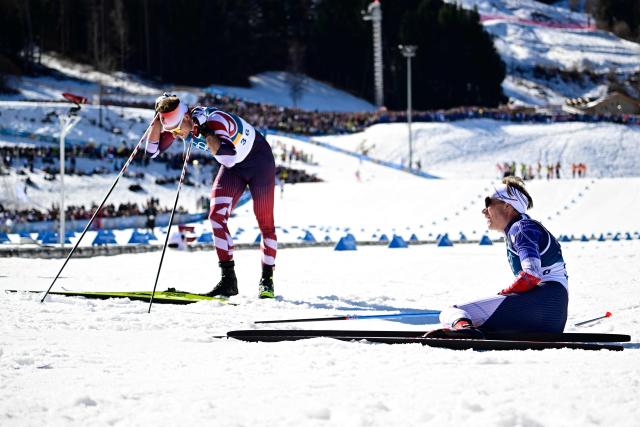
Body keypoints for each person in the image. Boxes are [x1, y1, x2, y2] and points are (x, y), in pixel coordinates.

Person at [145, 94, 277, 299]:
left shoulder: (215, 120)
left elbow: (228, 158)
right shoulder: (182, 122)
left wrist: (206, 132)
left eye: (178, 130)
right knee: (216, 217)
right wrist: (157, 119)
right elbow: (152, 150)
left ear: (187, 118)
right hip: (234, 169)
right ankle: (228, 281)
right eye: (172, 132)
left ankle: (266, 280)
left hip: (259, 163)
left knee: (265, 223)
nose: (177, 135)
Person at [429, 176, 568, 338]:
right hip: (552, 316)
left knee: (452, 312)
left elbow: (531, 275)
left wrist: (503, 294)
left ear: (508, 206)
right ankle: (469, 330)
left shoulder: (521, 228)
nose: (484, 211)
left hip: (543, 304)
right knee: (474, 319)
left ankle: (465, 332)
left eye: (488, 203)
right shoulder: (523, 226)